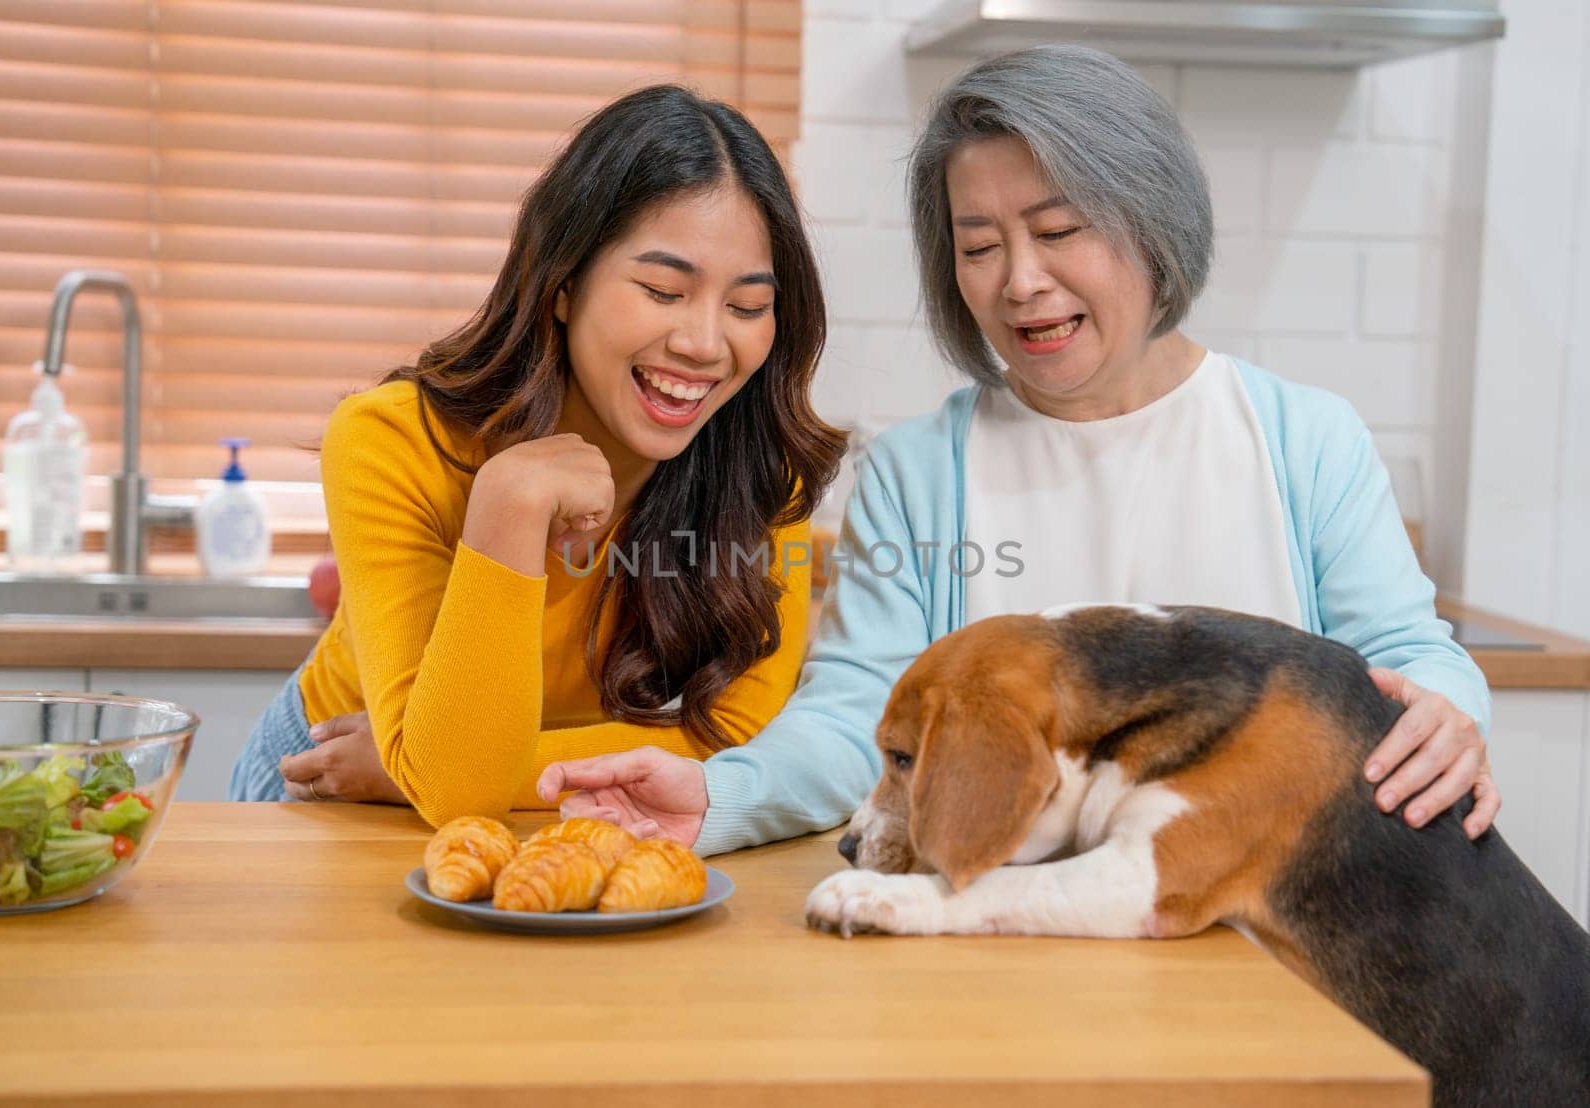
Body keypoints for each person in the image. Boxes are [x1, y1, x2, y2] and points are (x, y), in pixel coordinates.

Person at [512, 45, 1499, 856]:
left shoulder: (1302, 441)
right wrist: (715, 795)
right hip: (998, 948)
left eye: (1058, 230)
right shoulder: (916, 474)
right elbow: (859, 724)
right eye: (977, 246)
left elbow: (1411, 658)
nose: (1019, 281)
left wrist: (1451, 710)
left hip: (1271, 933)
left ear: (1153, 223)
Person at [227, 84, 843, 831]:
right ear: (562, 281)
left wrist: (419, 767)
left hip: (466, 783)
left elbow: (732, 736)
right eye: (662, 290)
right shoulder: (390, 440)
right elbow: (459, 790)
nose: (706, 344)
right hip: (332, 777)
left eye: (747, 307)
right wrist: (508, 505)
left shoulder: (760, 476)